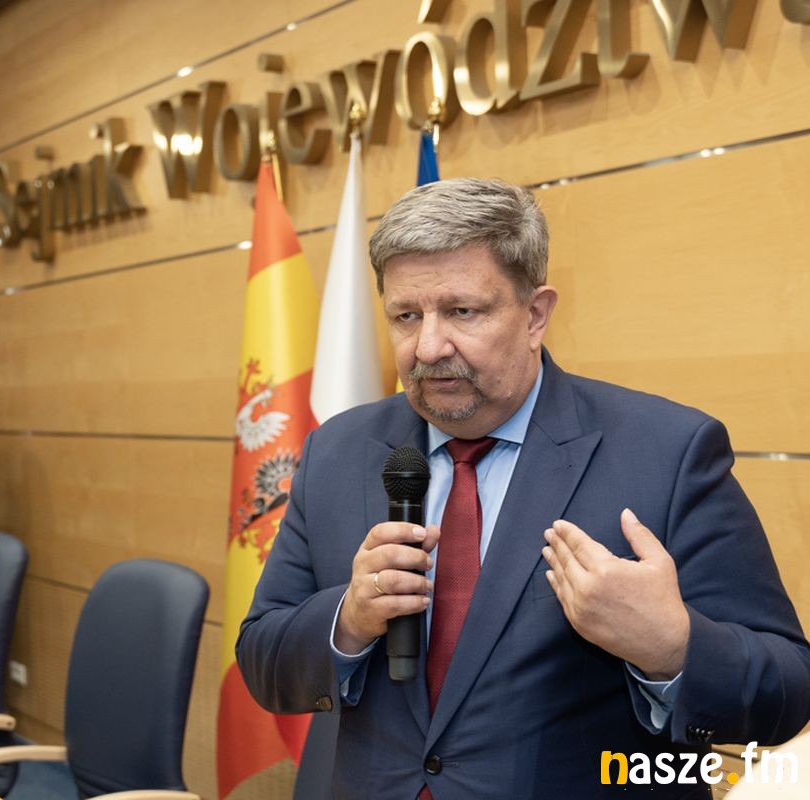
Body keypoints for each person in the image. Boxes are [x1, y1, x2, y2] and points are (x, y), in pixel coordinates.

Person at [235, 178, 810, 799]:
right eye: (406, 316)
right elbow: (264, 660)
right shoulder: (337, 451)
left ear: (535, 315)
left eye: (462, 311)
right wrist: (347, 620)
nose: (428, 346)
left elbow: (787, 692)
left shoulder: (667, 452)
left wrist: (671, 647)